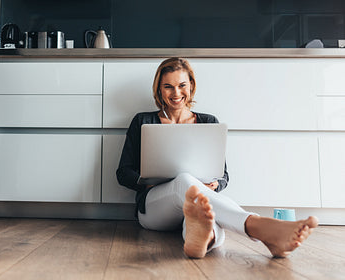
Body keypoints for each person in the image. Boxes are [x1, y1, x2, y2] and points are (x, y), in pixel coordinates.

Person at [116, 57, 318, 258]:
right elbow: (123, 173)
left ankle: (204, 241)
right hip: (155, 209)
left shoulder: (208, 122)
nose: (176, 93)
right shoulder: (142, 121)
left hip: (197, 203)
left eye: (182, 85)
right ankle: (258, 227)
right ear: (159, 89)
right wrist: (147, 181)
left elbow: (223, 175)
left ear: (191, 85)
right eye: (168, 87)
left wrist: (216, 184)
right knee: (186, 181)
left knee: (205, 212)